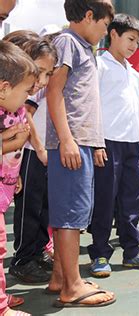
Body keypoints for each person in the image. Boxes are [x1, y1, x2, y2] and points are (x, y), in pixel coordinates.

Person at [45, 0, 116, 308]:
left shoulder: (85, 48)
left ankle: (61, 277)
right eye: (104, 25)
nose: (104, 31)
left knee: (72, 213)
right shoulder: (67, 41)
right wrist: (67, 140)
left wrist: (94, 142)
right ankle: (72, 287)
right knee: (70, 215)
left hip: (83, 142)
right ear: (89, 16)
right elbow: (54, 90)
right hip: (71, 143)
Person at [87, 13, 139, 279]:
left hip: (132, 145)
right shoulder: (99, 65)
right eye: (130, 39)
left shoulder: (133, 73)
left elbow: (136, 112)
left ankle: (132, 252)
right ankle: (99, 254)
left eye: (137, 42)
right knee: (105, 200)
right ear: (113, 34)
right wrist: (96, 143)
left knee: (133, 200)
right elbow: (91, 106)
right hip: (107, 142)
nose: (133, 46)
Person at [4, 30, 57, 285]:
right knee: (30, 208)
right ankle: (23, 259)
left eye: (49, 73)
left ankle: (35, 253)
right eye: (41, 71)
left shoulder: (24, 90)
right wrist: (37, 147)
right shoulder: (18, 90)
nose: (43, 81)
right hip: (25, 155)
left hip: (21, 159)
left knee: (42, 206)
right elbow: (26, 114)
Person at [0, 40, 38, 316]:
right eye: (26, 92)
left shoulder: (13, 112)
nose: (28, 97)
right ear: (4, 88)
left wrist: (15, 177)